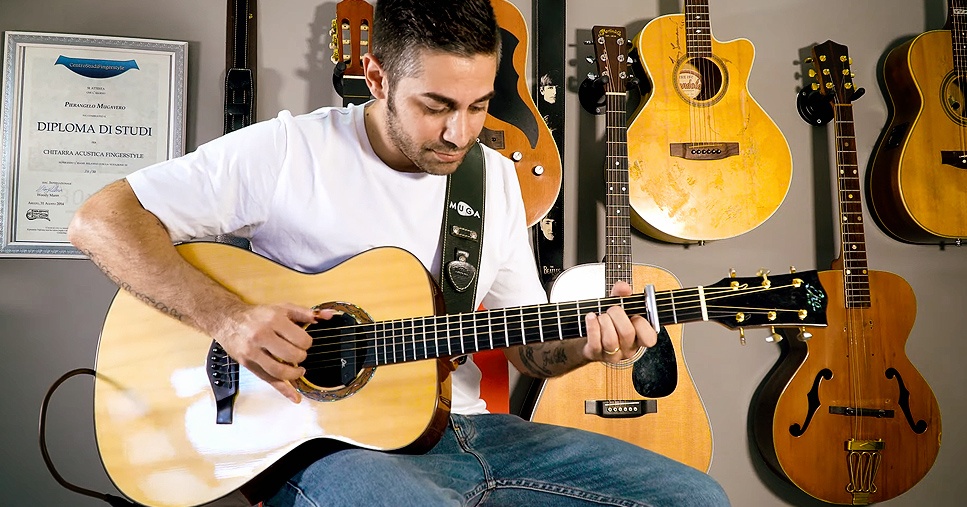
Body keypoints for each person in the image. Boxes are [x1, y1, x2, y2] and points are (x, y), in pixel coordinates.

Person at [68, 0, 730, 505]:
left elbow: (529, 349)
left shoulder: (492, 179)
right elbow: (99, 220)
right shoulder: (288, 151)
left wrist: (589, 344)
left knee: (696, 497)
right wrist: (229, 319)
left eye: (477, 105)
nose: (459, 133)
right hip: (325, 444)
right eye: (436, 105)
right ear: (377, 77)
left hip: (469, 431)